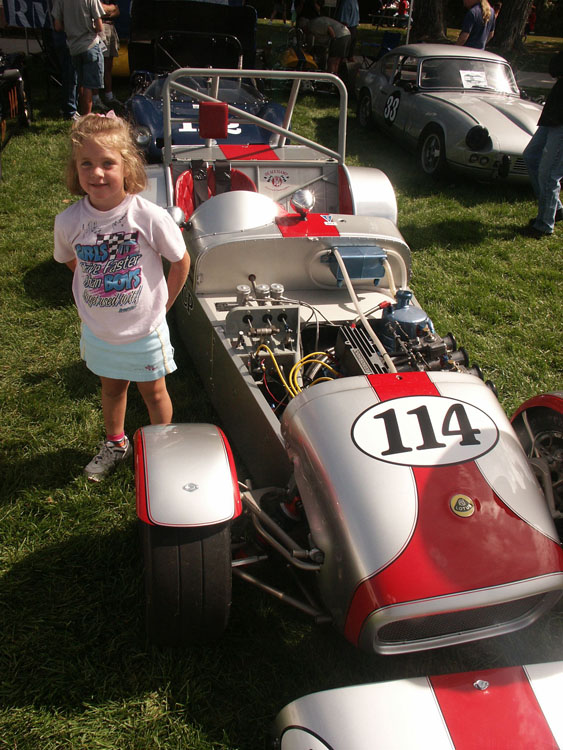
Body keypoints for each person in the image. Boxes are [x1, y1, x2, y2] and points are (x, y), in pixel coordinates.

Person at [53, 113, 191, 481]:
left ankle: (160, 447)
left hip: (144, 331)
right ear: (75, 169)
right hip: (100, 331)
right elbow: (72, 260)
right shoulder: (68, 221)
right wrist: (98, 284)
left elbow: (180, 261)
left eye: (107, 163)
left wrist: (162, 307)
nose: (97, 173)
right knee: (111, 389)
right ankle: (116, 442)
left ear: (127, 166)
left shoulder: (148, 216)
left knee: (154, 393)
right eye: (87, 164)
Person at [521, 50, 563, 238]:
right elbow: (554, 67)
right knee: (531, 156)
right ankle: (555, 210)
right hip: (553, 115)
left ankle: (544, 225)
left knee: (549, 173)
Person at [52, 0, 105, 115]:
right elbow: (99, 26)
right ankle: (86, 118)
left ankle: (82, 115)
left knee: (81, 83)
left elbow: (57, 26)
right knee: (89, 86)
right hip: (90, 45)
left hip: (74, 47)